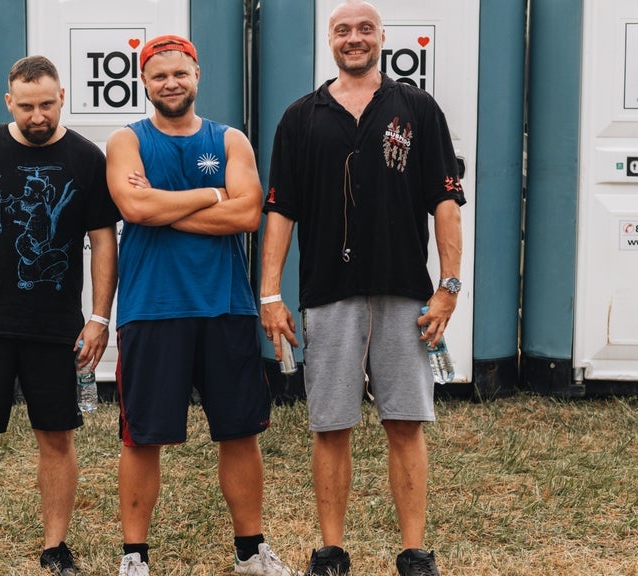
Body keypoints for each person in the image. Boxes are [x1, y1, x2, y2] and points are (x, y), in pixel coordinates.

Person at [259, 2, 464, 576]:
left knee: (406, 423)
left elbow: (446, 203)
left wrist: (448, 287)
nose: (354, 38)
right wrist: (270, 295)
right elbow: (280, 211)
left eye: (365, 29)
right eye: (343, 30)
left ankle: (414, 552)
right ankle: (331, 550)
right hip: (329, 292)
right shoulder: (301, 117)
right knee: (330, 426)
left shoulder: (417, 109)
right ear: (330, 40)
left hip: (404, 293)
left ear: (382, 37)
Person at [0, 55, 120, 576]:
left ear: (63, 98)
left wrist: (99, 317)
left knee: (57, 436)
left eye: (47, 105)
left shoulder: (86, 158)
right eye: (27, 106)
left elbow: (103, 241)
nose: (38, 116)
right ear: (9, 102)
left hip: (55, 326)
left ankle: (56, 548)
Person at [106, 35, 294, 576]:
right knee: (142, 437)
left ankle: (251, 552)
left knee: (239, 432)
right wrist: (213, 196)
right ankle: (135, 557)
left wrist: (161, 207)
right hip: (151, 307)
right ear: (144, 81)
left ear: (197, 75)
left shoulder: (229, 139)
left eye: (180, 73)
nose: (171, 83)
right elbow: (134, 207)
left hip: (225, 305)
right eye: (159, 75)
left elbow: (248, 214)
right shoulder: (126, 140)